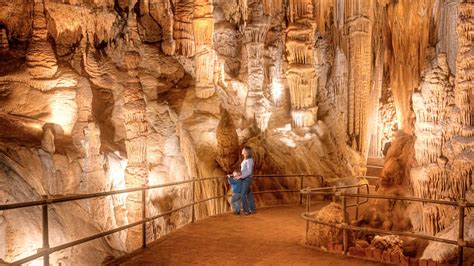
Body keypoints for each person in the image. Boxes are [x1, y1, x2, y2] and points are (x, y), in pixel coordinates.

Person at [237, 146, 256, 215]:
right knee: (249, 195)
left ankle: (246, 211)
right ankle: (253, 209)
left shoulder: (249, 160)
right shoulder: (245, 160)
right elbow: (244, 170)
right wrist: (238, 175)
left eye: (243, 149)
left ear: (246, 151)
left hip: (247, 179)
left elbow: (249, 172)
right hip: (245, 178)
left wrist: (241, 177)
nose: (242, 150)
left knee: (242, 195)